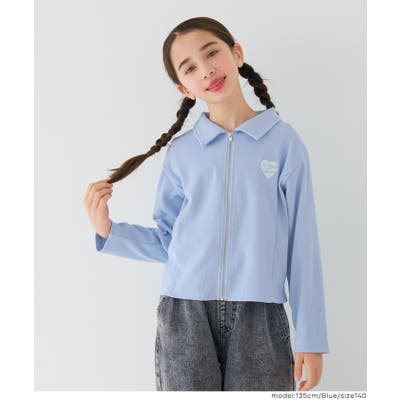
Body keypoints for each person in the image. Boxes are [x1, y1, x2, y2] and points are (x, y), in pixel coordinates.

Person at [83, 16, 329, 391]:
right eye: (190, 68)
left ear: (237, 53)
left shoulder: (283, 143)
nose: (206, 70)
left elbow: (303, 245)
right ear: (184, 88)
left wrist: (311, 337)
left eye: (211, 53)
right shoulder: (182, 153)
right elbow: (169, 241)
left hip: (259, 316)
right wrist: (110, 232)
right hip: (185, 315)